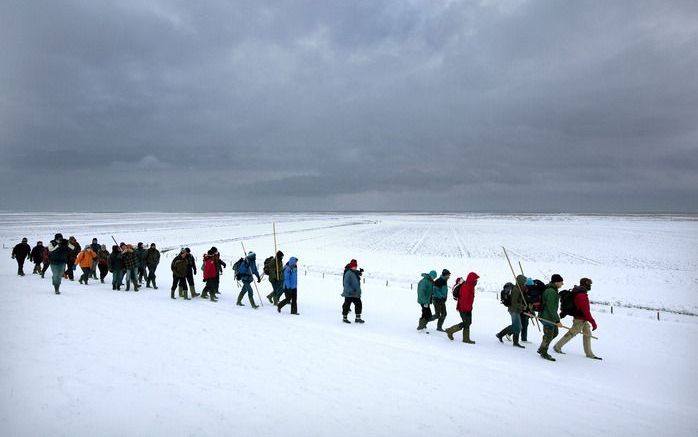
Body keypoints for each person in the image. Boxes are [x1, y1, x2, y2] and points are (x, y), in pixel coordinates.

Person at [554, 278, 602, 360]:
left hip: (582, 318)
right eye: (589, 284)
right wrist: (593, 322)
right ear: (585, 284)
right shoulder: (581, 295)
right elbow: (586, 311)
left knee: (587, 334)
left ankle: (589, 353)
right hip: (580, 319)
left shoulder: (580, 293)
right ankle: (557, 346)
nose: (590, 286)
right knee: (572, 333)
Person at [445, 272, 480, 344]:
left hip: (468, 308)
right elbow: (463, 299)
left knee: (468, 322)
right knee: (466, 322)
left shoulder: (471, 286)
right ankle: (450, 330)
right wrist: (466, 309)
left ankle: (466, 338)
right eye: (475, 280)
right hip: (463, 308)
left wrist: (469, 308)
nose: (476, 281)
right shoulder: (466, 286)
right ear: (472, 279)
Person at [496, 275, 528, 348]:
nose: (525, 283)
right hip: (514, 310)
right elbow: (514, 303)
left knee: (516, 326)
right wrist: (522, 307)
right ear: (521, 281)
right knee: (518, 326)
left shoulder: (519, 288)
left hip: (516, 310)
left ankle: (500, 335)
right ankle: (515, 342)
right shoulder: (516, 290)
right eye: (524, 281)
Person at [537, 274, 564, 361]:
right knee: (548, 335)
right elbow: (551, 307)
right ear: (556, 282)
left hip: (549, 316)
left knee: (554, 332)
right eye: (561, 282)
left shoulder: (553, 290)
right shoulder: (551, 292)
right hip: (546, 316)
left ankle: (542, 348)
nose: (562, 284)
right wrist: (557, 320)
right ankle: (543, 352)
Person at [341, 259, 364, 324]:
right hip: (349, 293)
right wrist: (351, 290)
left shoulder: (355, 272)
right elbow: (346, 283)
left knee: (359, 304)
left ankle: (358, 318)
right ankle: (344, 318)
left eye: (356, 266)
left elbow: (358, 274)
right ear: (351, 266)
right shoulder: (348, 273)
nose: (355, 267)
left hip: (356, 293)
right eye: (354, 266)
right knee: (347, 305)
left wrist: (360, 272)